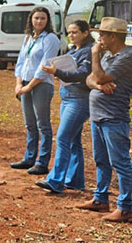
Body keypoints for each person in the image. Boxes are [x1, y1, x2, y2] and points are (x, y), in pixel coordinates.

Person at [77, 17, 132, 223]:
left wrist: (95, 56)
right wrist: (98, 85)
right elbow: (90, 79)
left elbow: (101, 76)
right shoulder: (109, 56)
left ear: (113, 37)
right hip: (99, 116)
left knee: (120, 162)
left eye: (102, 35)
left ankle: (125, 207)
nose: (99, 39)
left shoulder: (127, 57)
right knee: (101, 160)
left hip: (113, 117)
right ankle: (100, 198)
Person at [36, 20, 94, 194]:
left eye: (75, 32)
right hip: (68, 98)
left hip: (79, 100)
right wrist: (59, 73)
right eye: (69, 32)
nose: (71, 35)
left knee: (62, 138)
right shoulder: (73, 50)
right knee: (73, 141)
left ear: (85, 33)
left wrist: (58, 72)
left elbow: (82, 74)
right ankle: (75, 180)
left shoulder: (89, 51)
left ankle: (55, 181)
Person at [11, 6, 60, 175]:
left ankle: (42, 162)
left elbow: (44, 65)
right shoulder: (29, 38)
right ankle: (29, 158)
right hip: (25, 83)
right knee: (30, 124)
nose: (39, 21)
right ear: (31, 20)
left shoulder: (51, 39)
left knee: (43, 124)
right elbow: (20, 62)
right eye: (36, 18)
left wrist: (29, 86)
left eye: (42, 18)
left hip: (41, 85)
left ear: (48, 21)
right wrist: (19, 84)